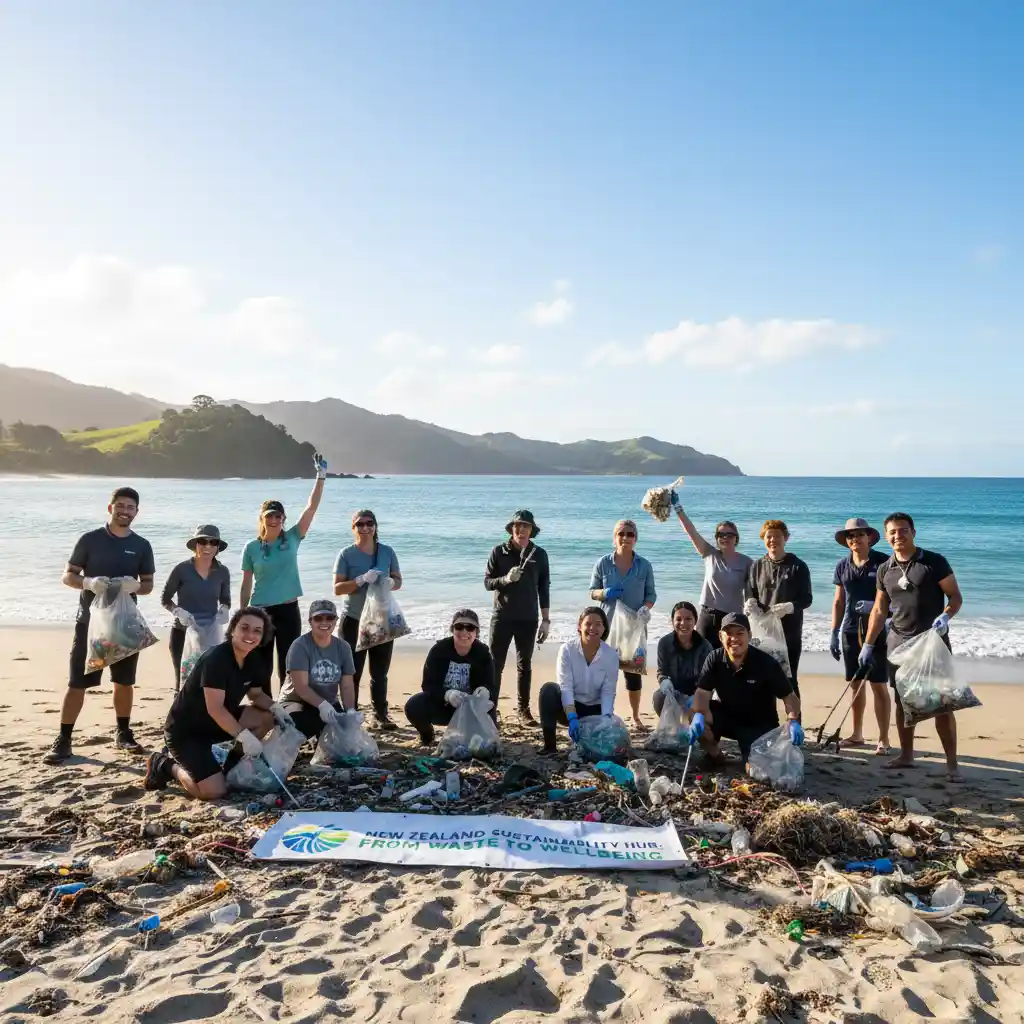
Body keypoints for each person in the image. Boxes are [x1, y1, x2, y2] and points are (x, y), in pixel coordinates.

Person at [43, 486, 156, 765]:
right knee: (77, 682)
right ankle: (64, 739)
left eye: (130, 507)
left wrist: (136, 586)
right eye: (120, 506)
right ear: (110, 508)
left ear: (137, 512)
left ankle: (123, 732)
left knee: (124, 682)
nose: (125, 511)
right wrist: (87, 583)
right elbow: (67, 575)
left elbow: (149, 585)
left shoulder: (142, 545)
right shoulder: (90, 539)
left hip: (125, 624)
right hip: (90, 622)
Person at [860, 513, 964, 781]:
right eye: (892, 532)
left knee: (941, 703)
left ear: (913, 532)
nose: (898, 536)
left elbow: (955, 596)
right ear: (885, 536)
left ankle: (951, 764)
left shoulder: (933, 562)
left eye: (903, 530)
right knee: (902, 701)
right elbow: (880, 609)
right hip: (899, 643)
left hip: (932, 643)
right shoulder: (885, 569)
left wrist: (946, 615)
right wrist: (869, 644)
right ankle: (907, 755)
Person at [143, 608, 282, 800]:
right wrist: (244, 736)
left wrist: (277, 708)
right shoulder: (216, 659)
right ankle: (165, 765)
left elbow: (256, 694)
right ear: (233, 629)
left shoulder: (254, 658)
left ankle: (233, 765)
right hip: (187, 732)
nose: (250, 635)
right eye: (245, 628)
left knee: (266, 717)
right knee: (214, 792)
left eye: (257, 631)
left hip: (218, 723)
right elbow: (215, 708)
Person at [239, 452, 327, 691]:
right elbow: (246, 583)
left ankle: (286, 707)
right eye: (270, 516)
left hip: (288, 609)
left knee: (288, 663)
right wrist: (242, 613)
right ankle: (267, 709)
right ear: (262, 518)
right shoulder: (252, 547)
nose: (274, 519)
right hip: (261, 611)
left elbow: (311, 509)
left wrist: (321, 477)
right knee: (262, 664)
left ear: (283, 518)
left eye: (278, 515)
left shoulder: (293, 537)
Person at [688, 612, 803, 763]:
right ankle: (715, 756)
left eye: (740, 633)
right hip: (729, 717)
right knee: (694, 714)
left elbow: (790, 697)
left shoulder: (766, 663)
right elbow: (702, 693)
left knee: (755, 771)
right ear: (720, 636)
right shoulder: (714, 659)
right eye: (728, 633)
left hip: (759, 725)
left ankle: (753, 758)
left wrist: (793, 720)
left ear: (749, 635)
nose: (734, 638)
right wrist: (698, 716)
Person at [333, 509, 403, 730]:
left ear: (375, 526)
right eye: (360, 524)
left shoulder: (387, 552)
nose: (365, 528)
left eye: (369, 523)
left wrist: (390, 583)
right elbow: (337, 588)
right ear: (353, 528)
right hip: (353, 619)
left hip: (381, 620)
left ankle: (380, 715)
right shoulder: (346, 554)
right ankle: (349, 714)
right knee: (352, 672)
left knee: (380, 673)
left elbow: (398, 580)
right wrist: (361, 579)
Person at [830, 517, 891, 754]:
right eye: (850, 536)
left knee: (878, 685)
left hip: (878, 632)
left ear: (869, 538)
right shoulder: (842, 566)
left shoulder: (884, 562)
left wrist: (885, 614)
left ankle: (884, 738)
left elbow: (894, 596)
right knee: (855, 684)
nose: (855, 539)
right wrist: (834, 632)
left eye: (859, 535)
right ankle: (857, 735)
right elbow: (838, 600)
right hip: (849, 630)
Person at [484, 509, 551, 725]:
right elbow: (487, 582)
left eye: (526, 526)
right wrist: (505, 579)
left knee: (525, 664)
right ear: (512, 529)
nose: (521, 530)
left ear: (532, 531)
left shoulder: (539, 554)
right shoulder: (498, 552)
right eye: (518, 526)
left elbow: (544, 588)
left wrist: (546, 621)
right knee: (495, 664)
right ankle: (490, 710)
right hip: (502, 616)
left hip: (528, 619)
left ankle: (523, 711)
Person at [590, 519, 656, 731]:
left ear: (636, 538)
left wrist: (646, 608)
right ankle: (603, 714)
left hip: (634, 629)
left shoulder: (644, 565)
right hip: (606, 628)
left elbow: (651, 594)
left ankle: (635, 717)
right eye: (621, 534)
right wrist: (604, 593)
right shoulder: (603, 563)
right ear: (614, 537)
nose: (625, 538)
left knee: (633, 674)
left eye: (630, 534)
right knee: (605, 674)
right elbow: (592, 591)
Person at [669, 491, 752, 649]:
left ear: (736, 538)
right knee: (702, 662)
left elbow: (756, 591)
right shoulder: (709, 554)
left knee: (729, 663)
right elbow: (691, 531)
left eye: (729, 534)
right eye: (720, 534)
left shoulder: (747, 563)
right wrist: (678, 508)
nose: (724, 537)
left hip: (733, 620)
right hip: (708, 617)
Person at [405, 609, 496, 746]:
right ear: (452, 629)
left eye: (470, 627)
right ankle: (427, 736)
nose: (464, 632)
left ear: (476, 632)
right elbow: (428, 685)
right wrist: (448, 694)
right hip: (443, 705)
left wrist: (484, 691)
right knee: (414, 705)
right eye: (459, 627)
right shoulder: (439, 650)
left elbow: (491, 686)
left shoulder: (482, 653)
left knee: (484, 742)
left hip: (471, 708)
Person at [744, 519, 812, 696]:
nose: (773, 540)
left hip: (790, 633)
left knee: (789, 680)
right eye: (769, 536)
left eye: (777, 536)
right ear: (763, 539)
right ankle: (767, 723)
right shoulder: (756, 566)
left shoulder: (798, 566)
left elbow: (807, 599)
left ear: (786, 538)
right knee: (761, 678)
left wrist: (790, 607)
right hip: (763, 633)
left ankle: (795, 722)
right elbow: (750, 592)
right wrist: (750, 603)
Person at [538, 607, 619, 754]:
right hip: (570, 709)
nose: (592, 628)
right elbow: (565, 686)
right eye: (588, 623)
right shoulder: (567, 650)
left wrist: (606, 720)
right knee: (548, 690)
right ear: (579, 626)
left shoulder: (611, 655)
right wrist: (572, 716)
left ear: (604, 629)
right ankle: (549, 747)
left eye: (598, 624)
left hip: (595, 711)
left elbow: (608, 691)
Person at [162, 525, 232, 689]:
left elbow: (225, 599)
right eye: (202, 541)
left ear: (217, 547)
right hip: (183, 631)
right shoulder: (181, 569)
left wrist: (225, 608)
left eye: (213, 542)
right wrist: (177, 611)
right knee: (183, 683)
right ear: (195, 544)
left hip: (210, 634)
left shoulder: (222, 572)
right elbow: (165, 598)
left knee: (209, 682)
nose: (207, 546)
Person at [280, 599, 357, 739]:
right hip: (296, 701)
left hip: (329, 701)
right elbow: (301, 687)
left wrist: (350, 711)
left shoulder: (343, 647)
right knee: (299, 727)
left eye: (329, 618)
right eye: (318, 618)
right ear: (310, 621)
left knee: (344, 730)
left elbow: (347, 685)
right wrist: (322, 705)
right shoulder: (300, 646)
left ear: (336, 620)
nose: (324, 622)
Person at [654, 600, 713, 718]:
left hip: (697, 693)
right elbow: (662, 671)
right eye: (678, 619)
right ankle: (670, 725)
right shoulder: (664, 643)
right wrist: (664, 681)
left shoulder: (705, 646)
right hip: (673, 691)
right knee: (658, 697)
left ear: (695, 621)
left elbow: (708, 679)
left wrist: (697, 697)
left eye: (688, 619)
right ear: (672, 621)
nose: (683, 623)